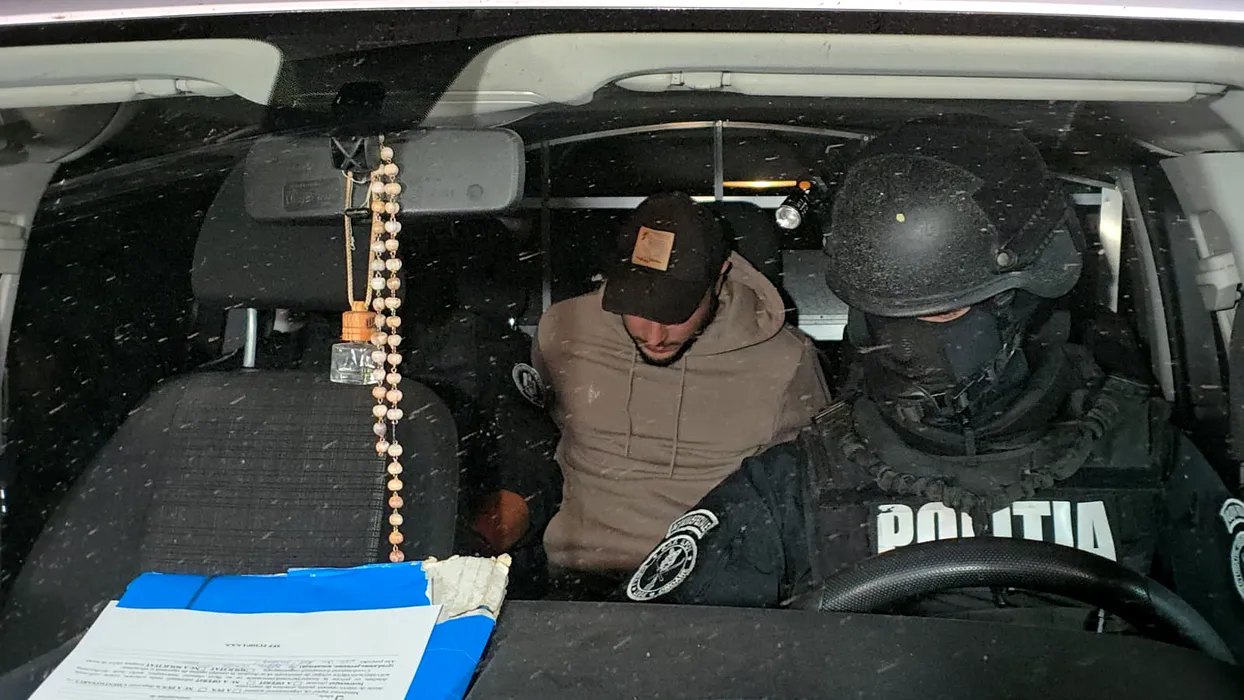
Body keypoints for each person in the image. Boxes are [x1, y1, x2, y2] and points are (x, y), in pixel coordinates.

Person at [618, 117, 1244, 660]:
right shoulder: (802, 476)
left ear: (1021, 301)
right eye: (883, 316)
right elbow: (653, 658)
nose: (903, 346)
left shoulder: (1148, 456)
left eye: (942, 313)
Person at [475, 192, 831, 589]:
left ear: (719, 278)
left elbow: (812, 495)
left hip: (711, 591)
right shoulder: (565, 331)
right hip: (574, 585)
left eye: (675, 312)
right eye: (638, 307)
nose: (654, 335)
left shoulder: (785, 361)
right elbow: (532, 450)